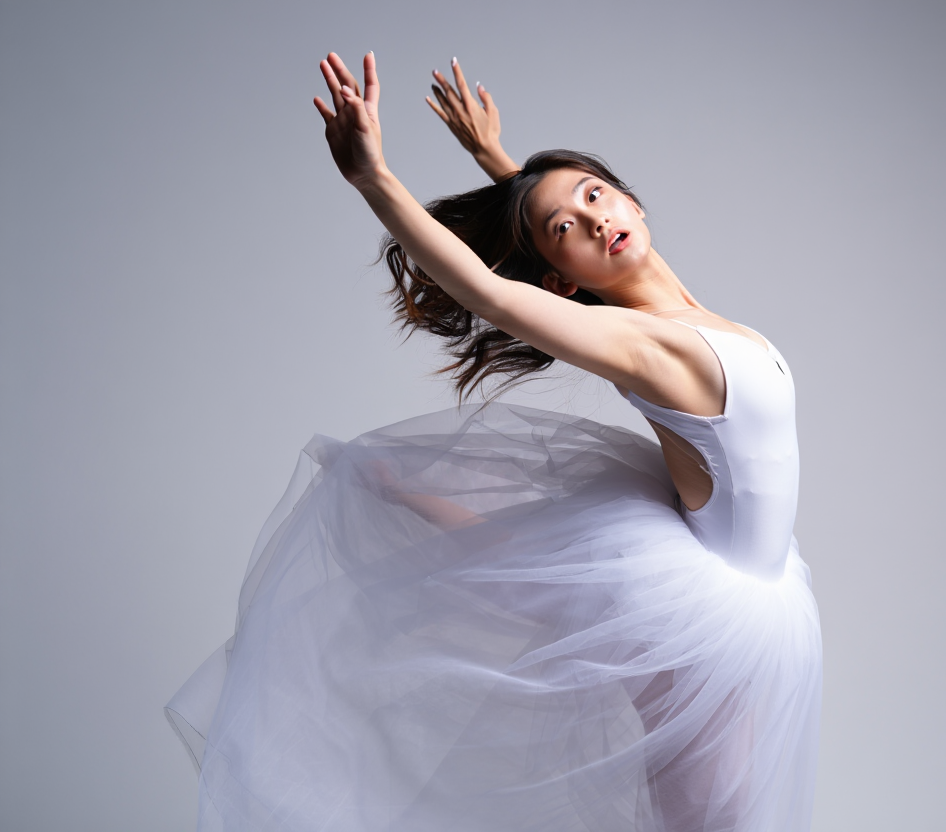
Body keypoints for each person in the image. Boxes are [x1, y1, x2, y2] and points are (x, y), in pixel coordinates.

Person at [166, 51, 822, 832]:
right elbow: (492, 293)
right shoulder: (646, 343)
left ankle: (402, 495)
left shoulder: (682, 314)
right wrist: (375, 181)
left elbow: (586, 244)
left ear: (632, 202)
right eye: (565, 228)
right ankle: (394, 494)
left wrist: (500, 165)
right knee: (717, 819)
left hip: (726, 580)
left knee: (712, 802)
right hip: (706, 627)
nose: (594, 221)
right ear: (562, 282)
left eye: (594, 196)